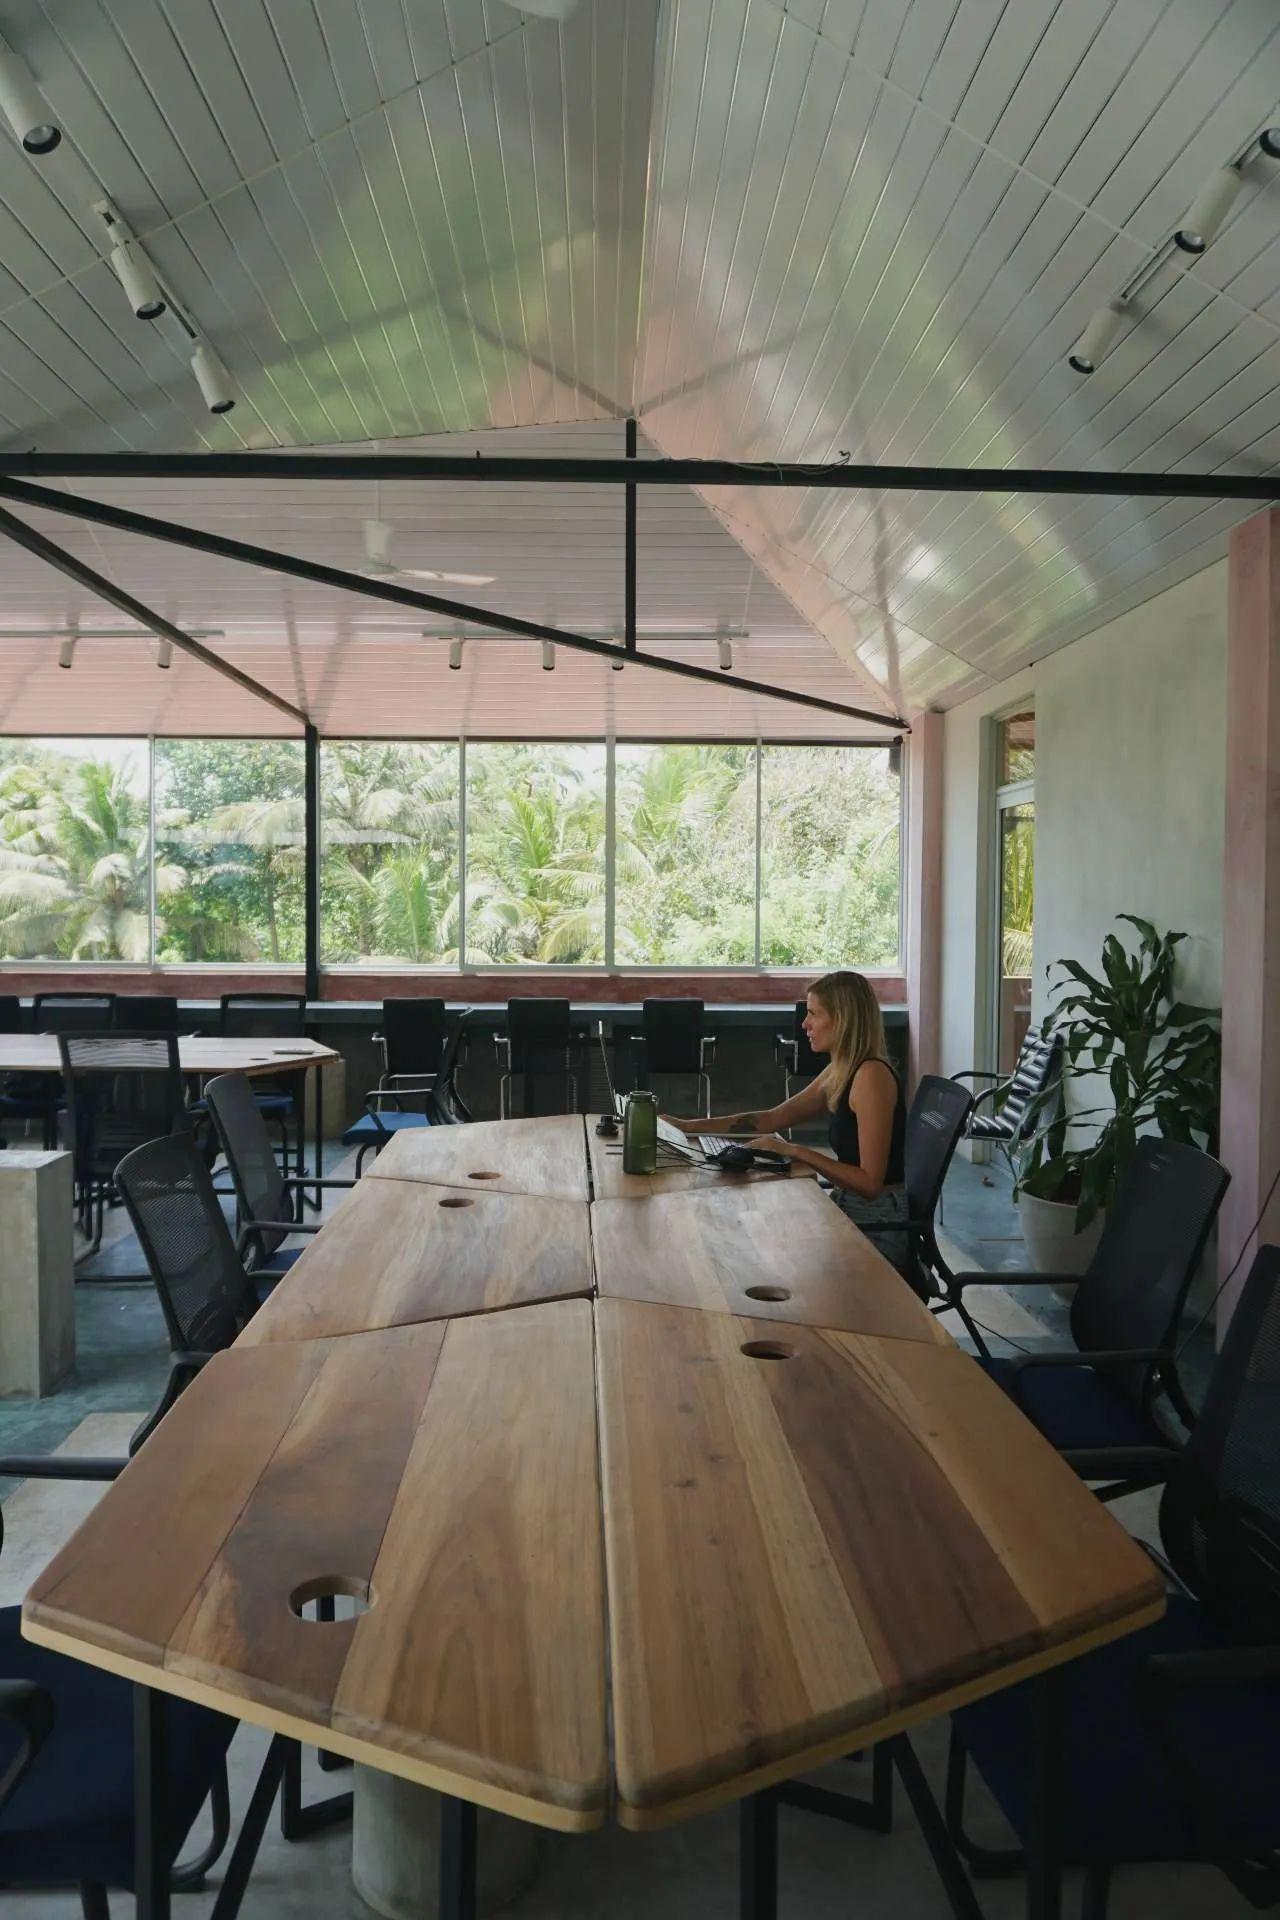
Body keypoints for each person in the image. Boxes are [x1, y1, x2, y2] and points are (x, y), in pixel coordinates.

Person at [666, 970, 908, 1261]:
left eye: (814, 1014)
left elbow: (870, 1183)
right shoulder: (841, 1069)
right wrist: (687, 1126)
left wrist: (794, 1150)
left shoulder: (871, 1076)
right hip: (850, 1207)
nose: (805, 1024)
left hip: (879, 1224)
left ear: (843, 1020)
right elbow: (771, 1119)